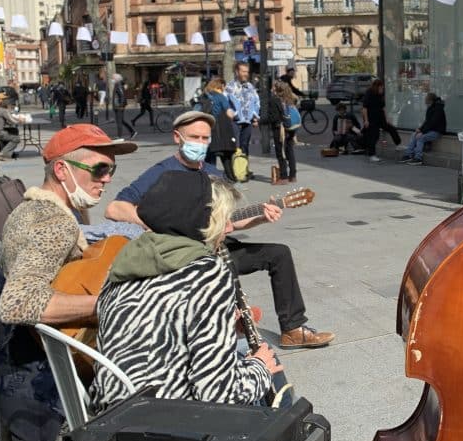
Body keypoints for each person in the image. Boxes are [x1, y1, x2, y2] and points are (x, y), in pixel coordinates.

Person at [104, 111, 334, 349]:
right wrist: (158, 223)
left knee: (279, 254)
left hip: (217, 247)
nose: (201, 144)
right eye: (194, 137)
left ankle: (293, 329)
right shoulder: (161, 173)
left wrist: (262, 217)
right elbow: (114, 208)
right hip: (181, 258)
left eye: (205, 139)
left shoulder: (215, 174)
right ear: (177, 137)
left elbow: (231, 221)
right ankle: (225, 332)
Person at [0, 125, 137, 441]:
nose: (107, 179)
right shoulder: (53, 223)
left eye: (111, 169)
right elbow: (17, 303)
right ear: (62, 170)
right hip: (47, 382)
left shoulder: (35, 210)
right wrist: (108, 304)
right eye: (99, 168)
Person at [90, 172, 278, 412]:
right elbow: (218, 393)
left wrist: (222, 327)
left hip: (113, 414)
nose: (229, 227)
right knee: (267, 363)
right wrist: (261, 368)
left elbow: (157, 330)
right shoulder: (205, 271)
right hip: (170, 421)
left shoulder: (125, 259)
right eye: (223, 219)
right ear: (200, 220)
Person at [203, 78, 238, 181]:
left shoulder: (207, 95)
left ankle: (208, 176)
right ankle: (231, 176)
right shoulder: (221, 97)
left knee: (210, 155)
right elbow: (229, 113)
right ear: (221, 85)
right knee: (226, 154)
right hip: (222, 130)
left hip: (209, 128)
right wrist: (235, 115)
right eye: (224, 86)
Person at [399, 92, 446, 165]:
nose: (427, 105)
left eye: (427, 103)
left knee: (420, 138)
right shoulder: (431, 107)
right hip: (430, 129)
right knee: (414, 134)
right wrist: (420, 129)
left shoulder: (438, 109)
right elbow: (427, 121)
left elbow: (432, 123)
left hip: (437, 131)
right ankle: (408, 155)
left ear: (431, 101)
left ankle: (418, 158)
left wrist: (422, 132)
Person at [361, 78, 400, 163]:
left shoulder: (380, 95)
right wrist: (366, 120)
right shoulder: (369, 93)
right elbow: (364, 108)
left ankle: (398, 144)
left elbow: (383, 108)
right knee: (374, 136)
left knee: (392, 128)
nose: (382, 89)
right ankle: (372, 155)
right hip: (372, 119)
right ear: (377, 87)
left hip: (380, 118)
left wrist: (386, 119)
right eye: (381, 88)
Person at [226, 62, 260, 158]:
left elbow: (256, 102)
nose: (246, 74)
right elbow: (225, 103)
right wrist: (233, 114)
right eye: (243, 71)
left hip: (248, 121)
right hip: (235, 121)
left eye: (247, 72)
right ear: (237, 72)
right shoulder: (230, 87)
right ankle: (234, 170)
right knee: (234, 146)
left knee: (245, 146)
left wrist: (255, 117)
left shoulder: (250, 86)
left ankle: (243, 169)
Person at [267, 80, 297, 184]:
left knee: (281, 153)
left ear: (276, 89)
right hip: (291, 128)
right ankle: (293, 176)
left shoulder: (274, 100)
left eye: (273, 87)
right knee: (290, 151)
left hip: (280, 129)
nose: (271, 89)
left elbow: (273, 117)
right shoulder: (290, 98)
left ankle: (283, 177)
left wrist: (263, 121)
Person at [0, 92, 26, 161]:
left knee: (13, 131)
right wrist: (20, 120)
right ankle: (4, 155)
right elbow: (13, 120)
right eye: (3, 99)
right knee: (16, 138)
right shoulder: (1, 110)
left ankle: (8, 152)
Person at [110, 73, 137, 139]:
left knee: (119, 121)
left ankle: (119, 136)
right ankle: (132, 132)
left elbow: (121, 95)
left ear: (116, 79)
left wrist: (120, 105)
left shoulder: (118, 85)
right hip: (118, 106)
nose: (112, 79)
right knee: (121, 121)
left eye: (113, 78)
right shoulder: (117, 84)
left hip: (119, 106)